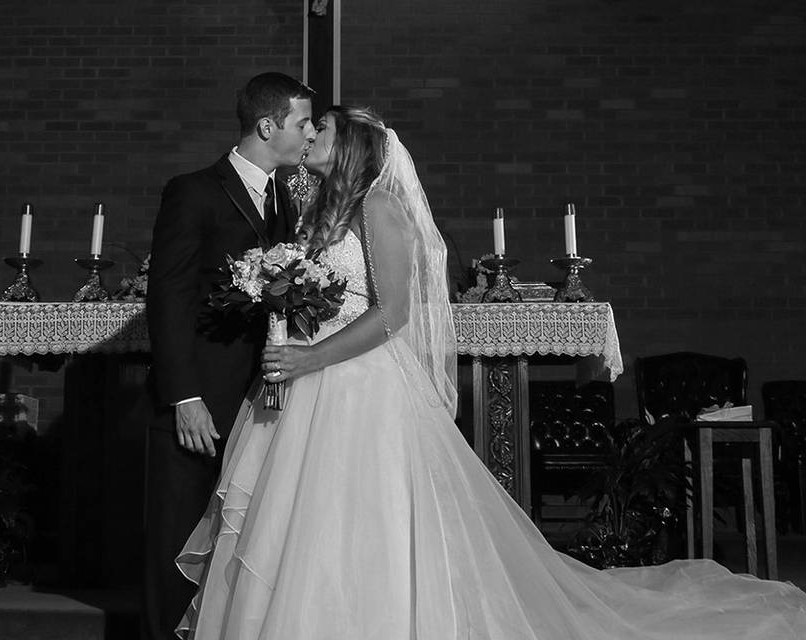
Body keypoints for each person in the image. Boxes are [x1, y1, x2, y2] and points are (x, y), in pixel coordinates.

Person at [174, 106, 806, 639]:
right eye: (309, 130)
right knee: (293, 520)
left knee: (363, 514)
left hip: (358, 383)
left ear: (353, 150)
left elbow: (394, 314)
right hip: (305, 381)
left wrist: (311, 355)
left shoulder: (380, 209)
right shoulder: (318, 213)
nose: (310, 137)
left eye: (325, 132)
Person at [142, 72, 316, 640]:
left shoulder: (286, 200)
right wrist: (183, 396)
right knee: (180, 525)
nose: (308, 134)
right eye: (302, 122)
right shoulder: (192, 190)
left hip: (264, 391)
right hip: (203, 393)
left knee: (241, 528)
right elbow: (167, 295)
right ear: (268, 126)